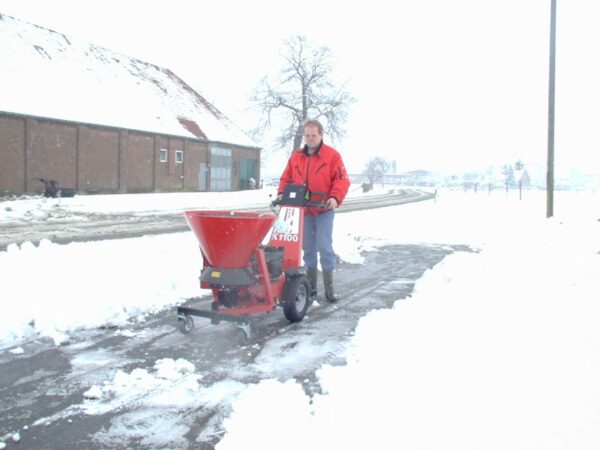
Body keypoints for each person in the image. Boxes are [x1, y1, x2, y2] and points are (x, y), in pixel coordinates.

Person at [277, 119, 350, 302]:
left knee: (324, 248)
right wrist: (281, 194)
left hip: (323, 210)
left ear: (321, 135)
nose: (310, 139)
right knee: (308, 250)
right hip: (304, 211)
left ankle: (329, 290)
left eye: (313, 135)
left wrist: (334, 198)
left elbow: (342, 180)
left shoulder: (332, 156)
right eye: (307, 135)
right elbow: (286, 178)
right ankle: (311, 289)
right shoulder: (296, 157)